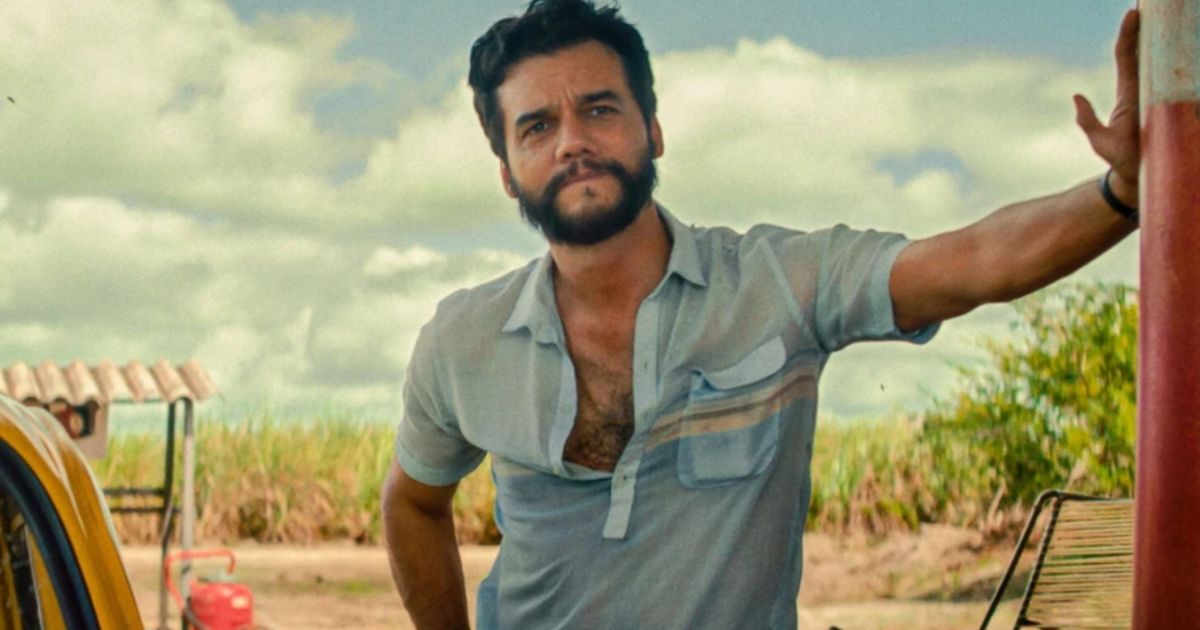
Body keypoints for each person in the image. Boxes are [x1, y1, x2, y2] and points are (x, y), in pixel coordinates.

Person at [381, 1, 1141, 628]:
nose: (572, 142)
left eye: (600, 108)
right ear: (508, 173)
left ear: (653, 130)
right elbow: (413, 502)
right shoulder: (463, 339)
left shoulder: (780, 285)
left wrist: (1122, 194)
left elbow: (975, 260)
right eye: (537, 126)